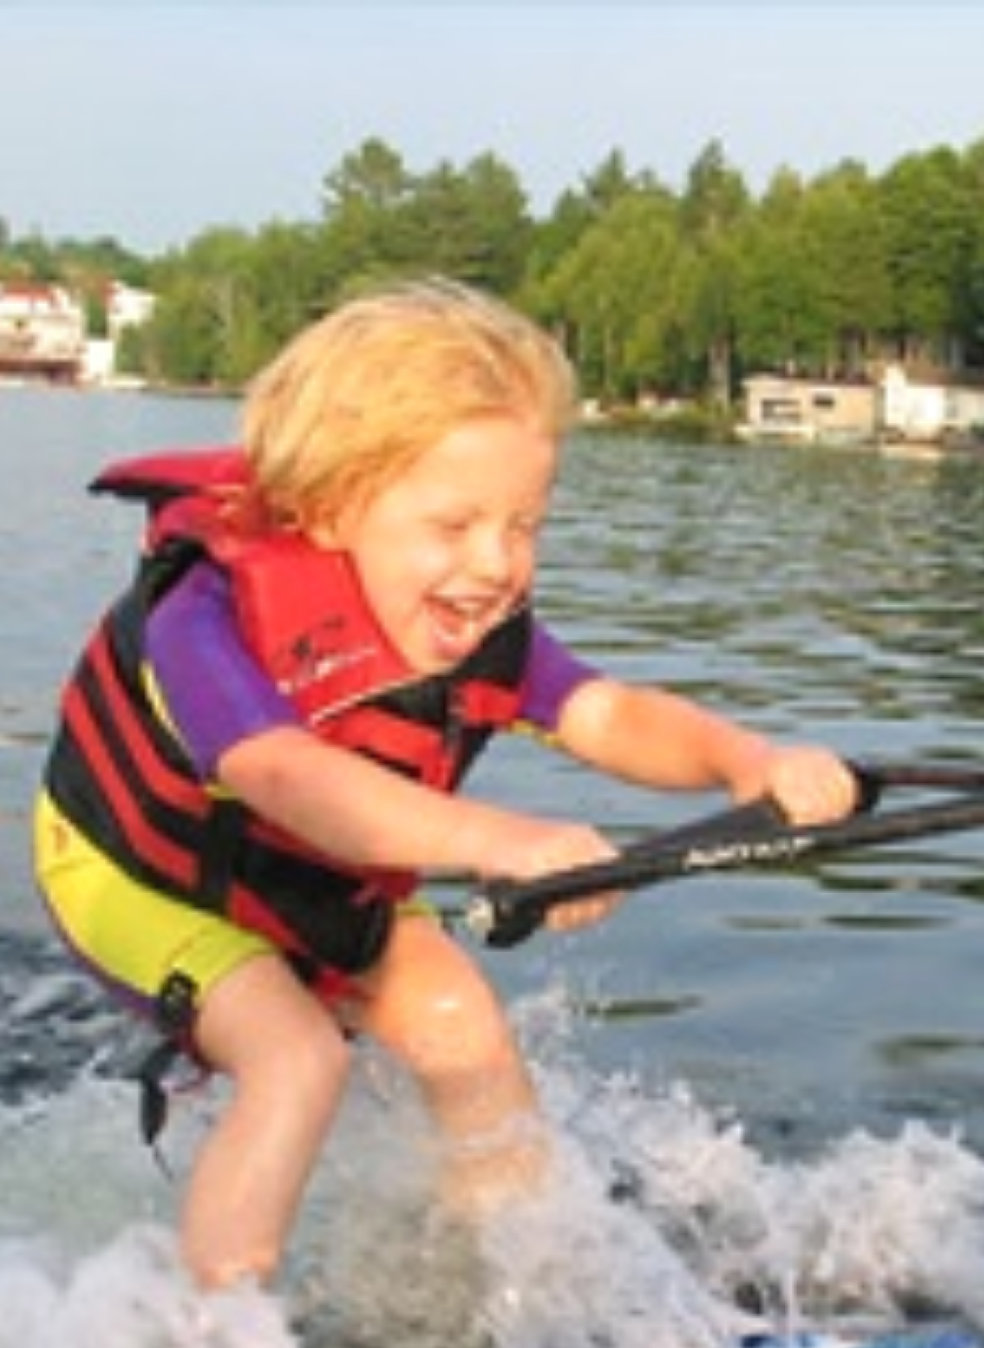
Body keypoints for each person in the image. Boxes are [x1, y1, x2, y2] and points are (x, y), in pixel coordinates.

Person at [34, 279, 860, 1294]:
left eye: (525, 525)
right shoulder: (202, 619)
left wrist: (749, 760)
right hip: (137, 880)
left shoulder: (480, 634)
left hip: (313, 881)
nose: (497, 564)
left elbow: (607, 713)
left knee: (464, 1031)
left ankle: (527, 1305)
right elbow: (280, 773)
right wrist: (504, 840)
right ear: (330, 509)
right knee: (298, 1061)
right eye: (456, 524)